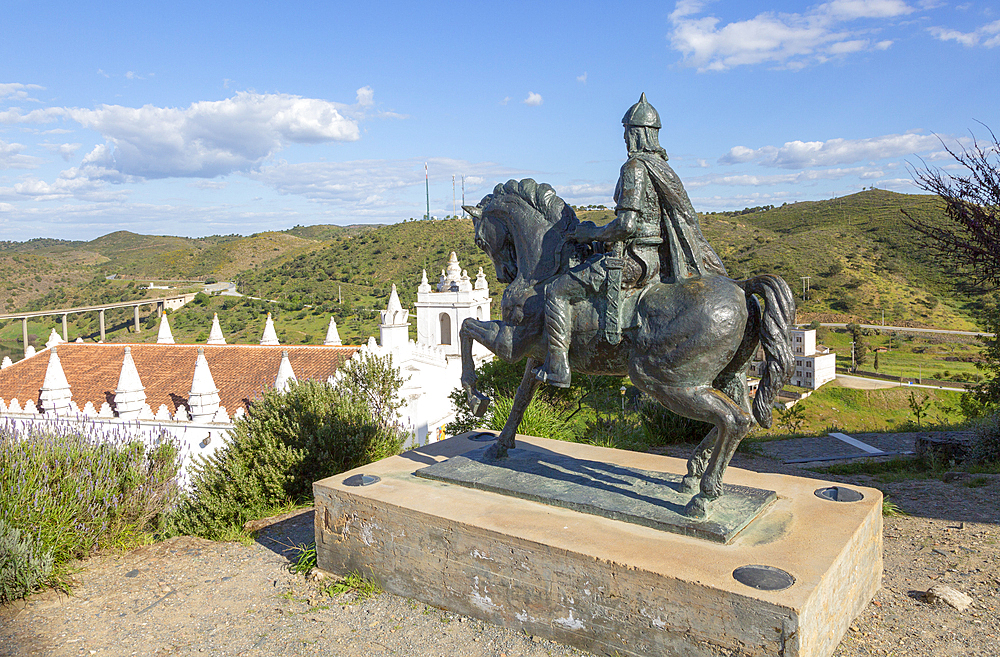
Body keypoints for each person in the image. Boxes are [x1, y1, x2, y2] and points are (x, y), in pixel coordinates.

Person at [533, 93, 727, 388]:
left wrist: (591, 234)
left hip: (632, 261)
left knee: (557, 291)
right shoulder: (663, 168)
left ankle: (558, 367)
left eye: (627, 132)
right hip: (653, 260)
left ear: (637, 133)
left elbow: (626, 225)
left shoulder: (635, 168)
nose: (625, 138)